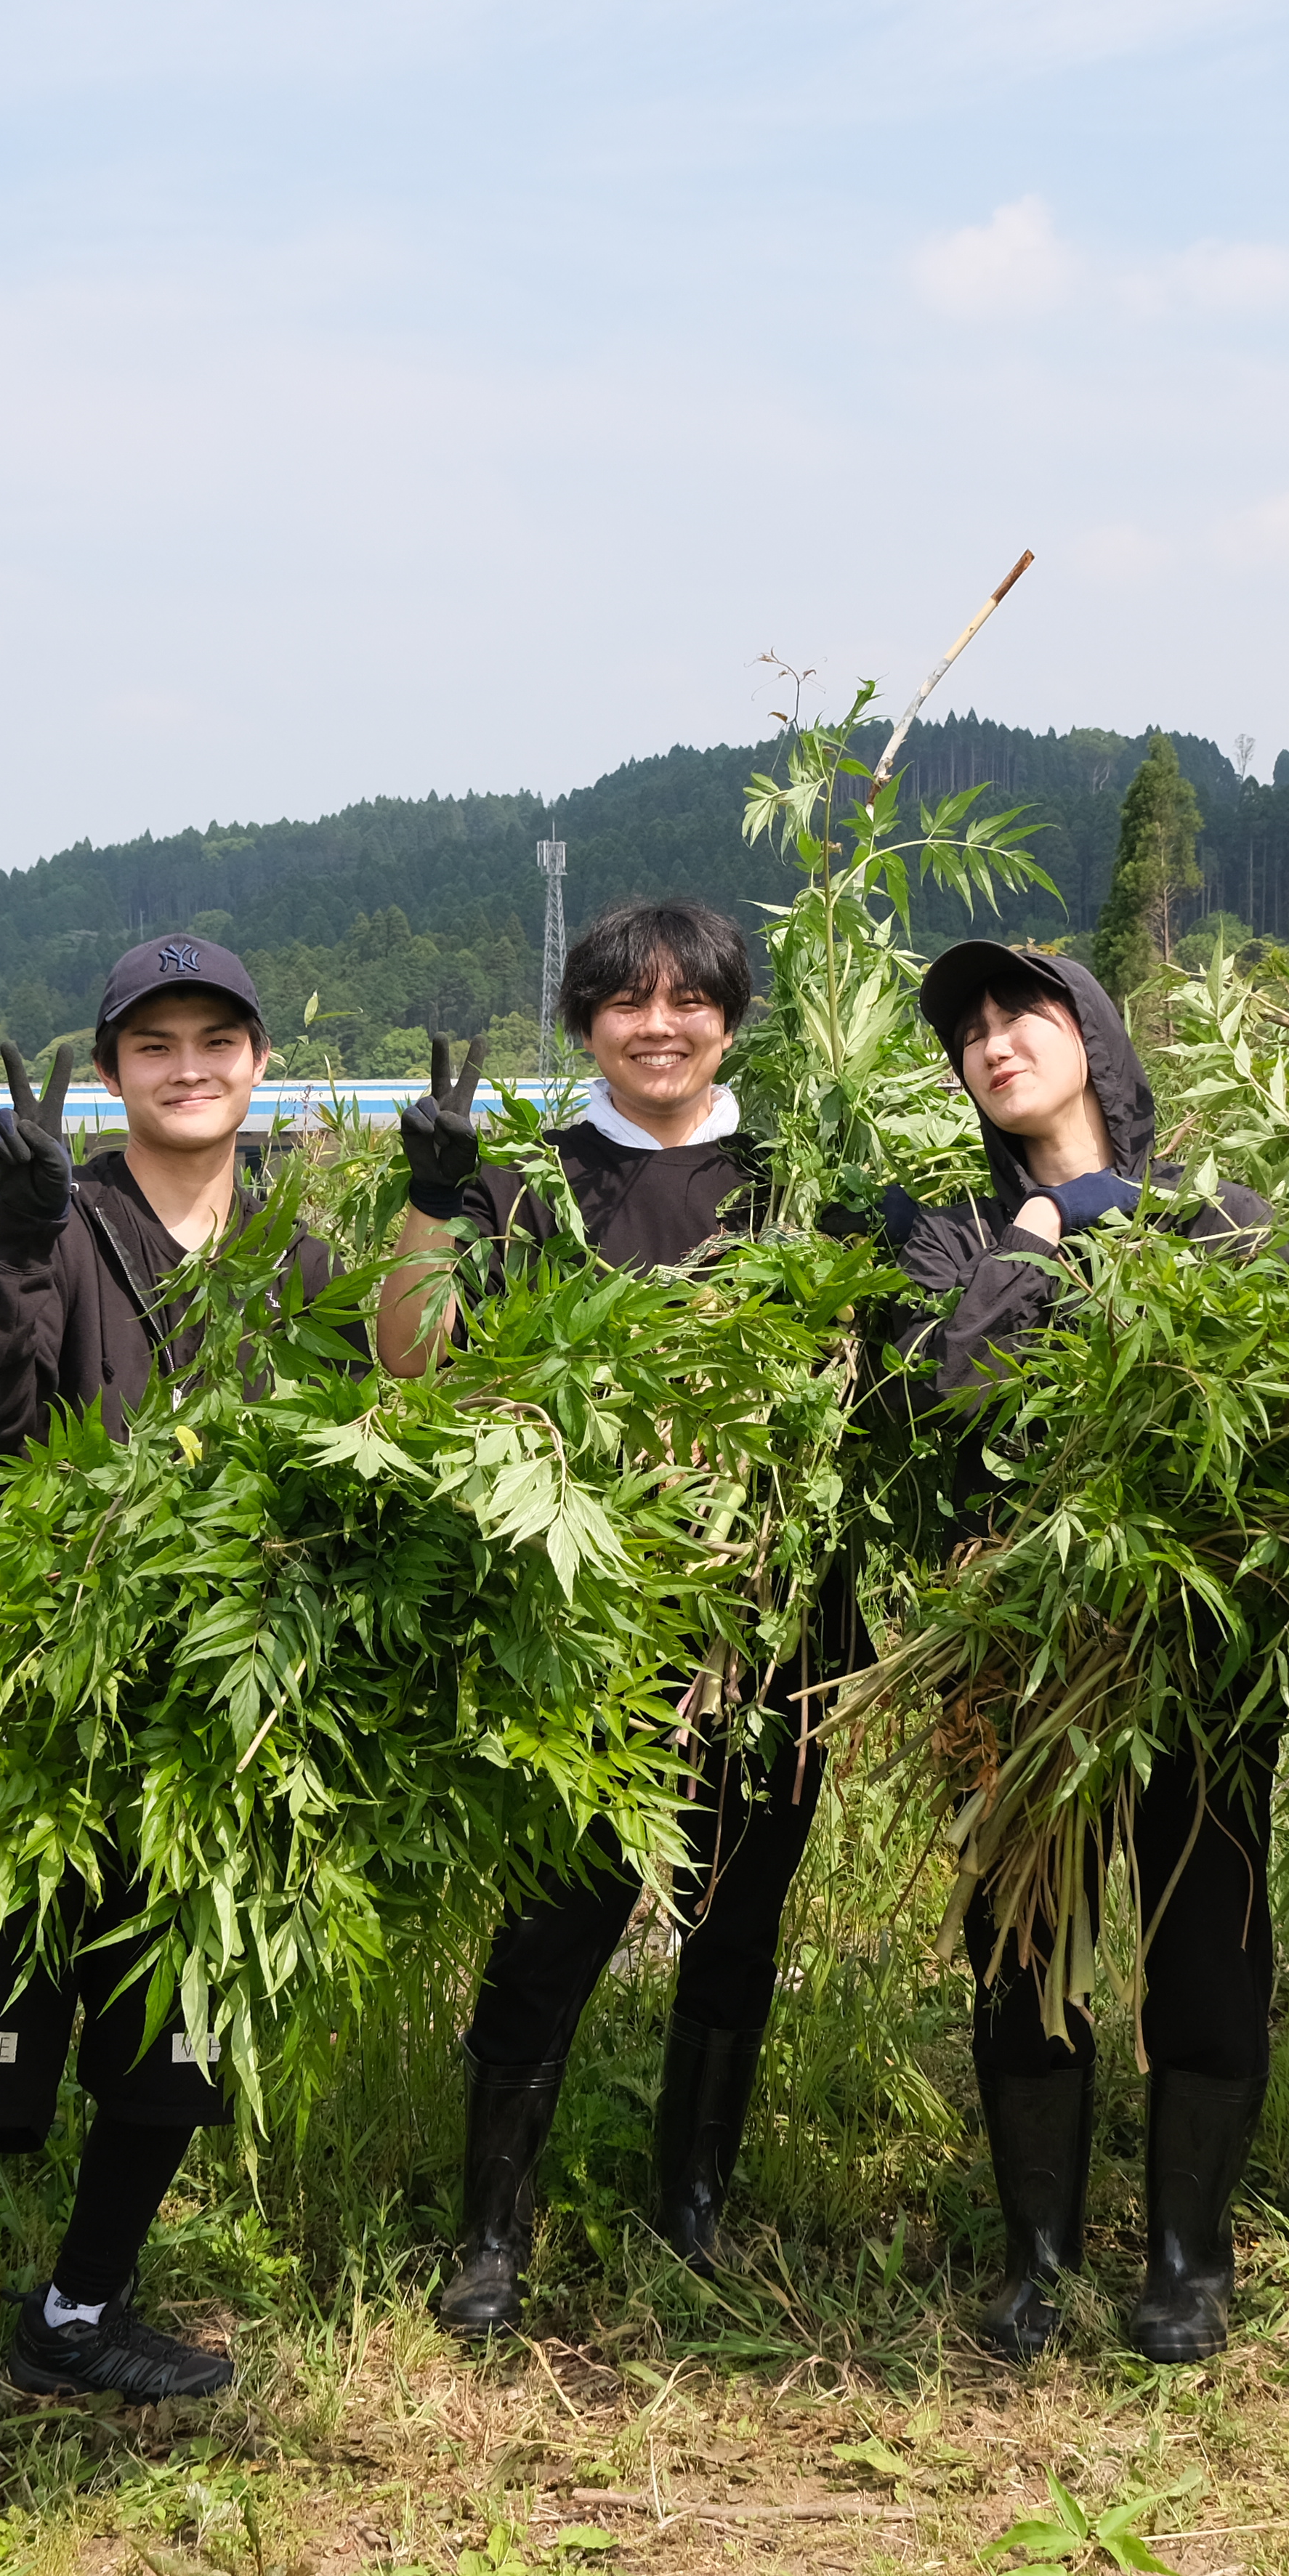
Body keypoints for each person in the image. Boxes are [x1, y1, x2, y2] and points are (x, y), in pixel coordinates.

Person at [0, 936, 331, 2576]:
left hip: (218, 1718)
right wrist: (25, 1238)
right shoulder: (59, 1224)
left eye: (216, 1038)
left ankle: (78, 2310)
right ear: (112, 1070)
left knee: (176, 2028)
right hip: (28, 1709)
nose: (186, 1066)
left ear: (259, 1063)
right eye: (154, 1043)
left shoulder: (296, 1252)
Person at [376, 897, 828, 2338]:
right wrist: (433, 1204)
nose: (659, 1022)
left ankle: (691, 2199)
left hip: (769, 1628)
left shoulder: (794, 1178)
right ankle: (491, 2229)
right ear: (586, 1028)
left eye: (687, 999)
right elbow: (411, 1361)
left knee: (739, 1915)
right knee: (555, 1920)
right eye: (625, 1002)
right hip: (583, 1632)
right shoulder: (535, 1187)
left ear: (730, 1020)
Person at [889, 940, 1280, 2365]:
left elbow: (1272, 1409)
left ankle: (1188, 2259)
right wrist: (1047, 1236)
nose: (993, 1040)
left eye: (1023, 1014)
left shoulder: (1224, 1216)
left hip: (1196, 1646)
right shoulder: (949, 1236)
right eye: (970, 1031)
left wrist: (1141, 1237)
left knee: (1209, 1949)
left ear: (1093, 1034)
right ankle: (1036, 2256)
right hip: (1020, 1639)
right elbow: (959, 1389)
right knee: (1026, 1947)